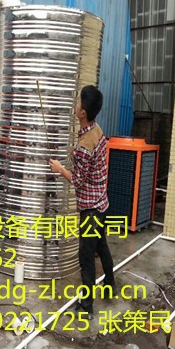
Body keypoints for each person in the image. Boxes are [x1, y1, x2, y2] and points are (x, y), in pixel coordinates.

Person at [49, 85, 117, 319]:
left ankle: (86, 306)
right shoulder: (96, 130)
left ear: (82, 113)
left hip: (90, 211)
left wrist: (60, 169)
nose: (76, 104)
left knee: (86, 257)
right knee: (102, 246)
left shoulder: (84, 146)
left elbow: (78, 181)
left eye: (78, 102)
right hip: (102, 203)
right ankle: (110, 284)